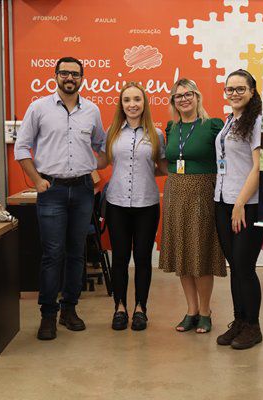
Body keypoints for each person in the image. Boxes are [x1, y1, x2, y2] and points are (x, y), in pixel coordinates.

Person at [14, 56, 107, 340]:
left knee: (76, 252)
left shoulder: (91, 110)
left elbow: (101, 145)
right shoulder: (38, 108)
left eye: (75, 74)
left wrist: (96, 165)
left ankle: (69, 309)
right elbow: (22, 147)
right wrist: (37, 180)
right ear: (55, 75)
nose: (70, 78)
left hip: (82, 191)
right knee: (53, 254)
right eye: (64, 73)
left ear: (82, 78)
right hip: (51, 191)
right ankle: (48, 315)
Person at [159, 78, 226, 334]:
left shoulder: (213, 125)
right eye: (179, 96)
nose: (184, 99)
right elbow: (168, 161)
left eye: (189, 94)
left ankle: (206, 312)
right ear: (173, 102)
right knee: (183, 254)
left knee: (201, 254)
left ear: (197, 97)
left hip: (202, 194)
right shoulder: (171, 127)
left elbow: (225, 160)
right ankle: (191, 310)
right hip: (175, 193)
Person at [103, 82, 167, 331]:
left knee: (142, 258)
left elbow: (163, 167)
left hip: (146, 204)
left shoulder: (156, 134)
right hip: (117, 204)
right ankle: (119, 308)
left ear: (144, 103)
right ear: (121, 104)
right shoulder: (111, 132)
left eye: (137, 99)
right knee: (119, 258)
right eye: (127, 100)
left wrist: (190, 167)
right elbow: (102, 161)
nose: (132, 104)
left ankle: (141, 308)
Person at [214, 69, 263, 350]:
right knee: (235, 266)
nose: (234, 93)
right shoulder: (229, 121)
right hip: (222, 201)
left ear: (252, 91)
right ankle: (239, 321)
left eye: (240, 89)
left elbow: (259, 167)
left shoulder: (257, 121)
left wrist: (239, 204)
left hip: (248, 205)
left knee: (245, 267)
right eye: (230, 89)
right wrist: (227, 203)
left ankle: (253, 326)